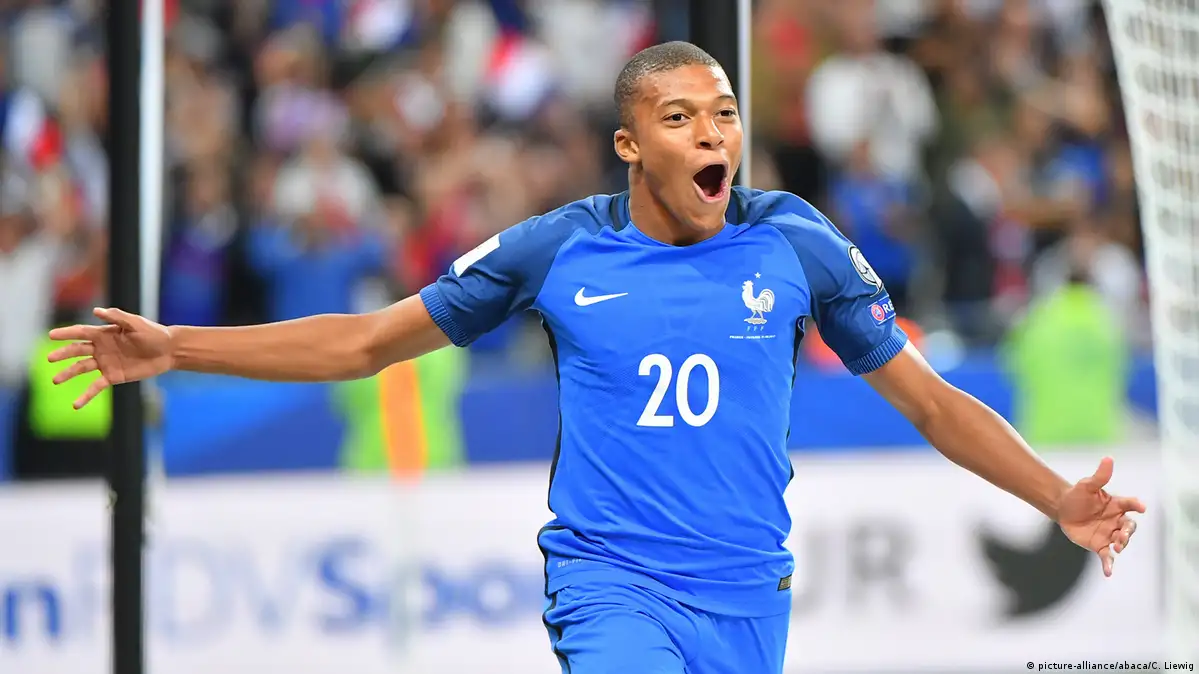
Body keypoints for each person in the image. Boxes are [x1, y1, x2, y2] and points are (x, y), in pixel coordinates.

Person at [47, 42, 1144, 674]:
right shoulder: (559, 249)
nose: (711, 134)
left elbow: (931, 402)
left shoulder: (794, 240)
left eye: (723, 114)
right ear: (629, 145)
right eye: (679, 117)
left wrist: (1056, 496)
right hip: (611, 585)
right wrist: (176, 344)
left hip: (747, 597)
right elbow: (368, 340)